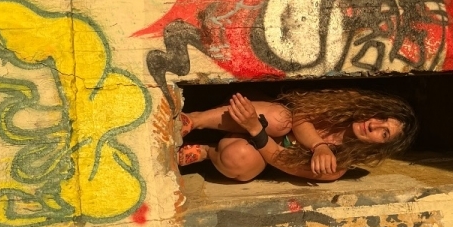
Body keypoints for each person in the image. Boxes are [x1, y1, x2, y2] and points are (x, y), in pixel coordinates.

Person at [177, 89, 418, 182]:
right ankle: (195, 119)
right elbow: (301, 114)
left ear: (379, 146)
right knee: (282, 119)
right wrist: (319, 145)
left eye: (384, 133)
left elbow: (279, 158)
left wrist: (254, 129)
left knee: (239, 159)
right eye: (380, 117)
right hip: (255, 113)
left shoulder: (337, 166)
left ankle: (206, 151)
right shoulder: (347, 104)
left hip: (260, 146)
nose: (373, 125)